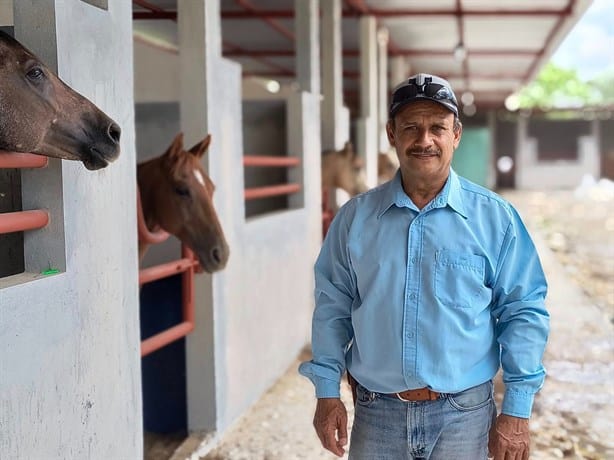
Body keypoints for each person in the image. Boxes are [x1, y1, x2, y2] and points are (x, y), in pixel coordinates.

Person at [299, 73, 549, 460]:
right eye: (411, 127)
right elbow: (332, 309)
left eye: (437, 128)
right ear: (391, 134)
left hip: (464, 419)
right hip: (377, 415)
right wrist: (327, 392)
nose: (424, 140)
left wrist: (516, 409)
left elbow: (523, 311)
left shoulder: (494, 219)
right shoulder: (354, 220)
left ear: (457, 135)